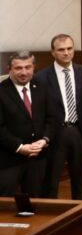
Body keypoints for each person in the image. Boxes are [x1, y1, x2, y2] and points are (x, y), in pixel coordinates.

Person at [34, 34, 82, 200]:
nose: (66, 53)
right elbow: (39, 111)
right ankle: (50, 214)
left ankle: (81, 212)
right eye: (61, 49)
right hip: (55, 134)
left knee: (79, 181)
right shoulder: (41, 77)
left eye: (69, 48)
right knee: (51, 181)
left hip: (79, 132)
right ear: (53, 52)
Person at [0, 51, 55, 197]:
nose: (24, 72)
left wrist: (45, 140)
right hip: (9, 159)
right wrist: (20, 147)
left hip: (38, 157)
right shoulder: (2, 91)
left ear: (34, 67)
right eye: (18, 68)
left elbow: (52, 118)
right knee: (6, 202)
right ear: (9, 69)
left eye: (28, 67)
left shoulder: (42, 87)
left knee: (35, 200)